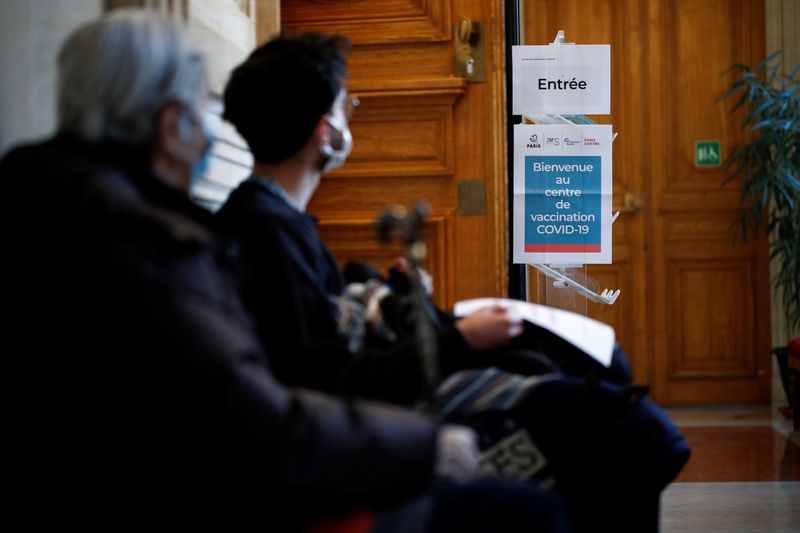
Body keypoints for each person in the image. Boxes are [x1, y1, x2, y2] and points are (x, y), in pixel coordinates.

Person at [0, 10, 570, 531]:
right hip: (230, 494)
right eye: (201, 108)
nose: (213, 129)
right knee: (540, 484)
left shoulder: (66, 212)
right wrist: (425, 441)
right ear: (172, 127)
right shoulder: (147, 249)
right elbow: (268, 414)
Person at [216, 31, 690, 532]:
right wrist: (461, 340)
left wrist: (404, 299)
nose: (350, 118)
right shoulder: (266, 232)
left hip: (372, 415)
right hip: (365, 440)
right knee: (623, 431)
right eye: (346, 106)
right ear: (324, 128)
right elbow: (332, 383)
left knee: (605, 398)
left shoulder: (271, 219)